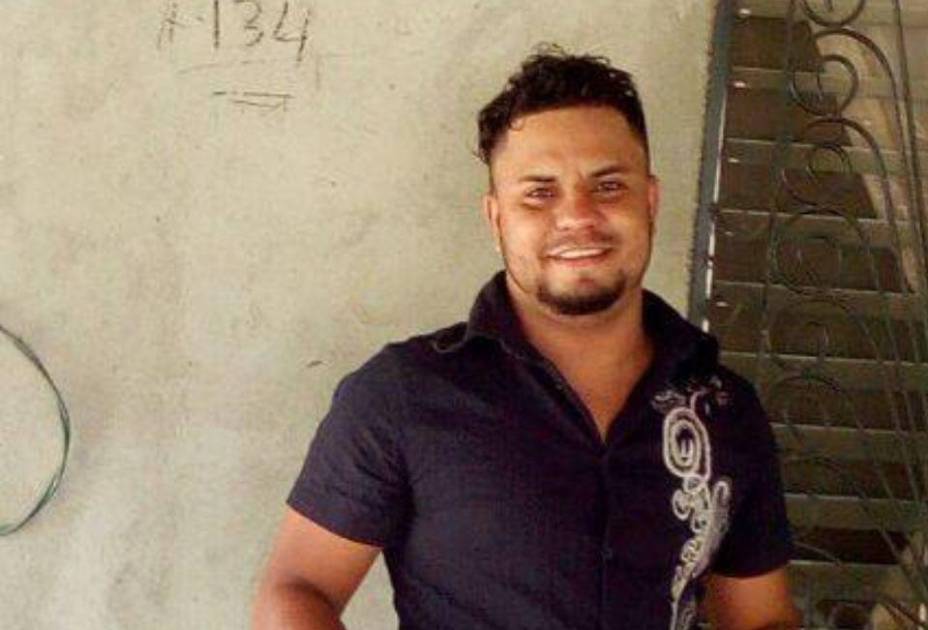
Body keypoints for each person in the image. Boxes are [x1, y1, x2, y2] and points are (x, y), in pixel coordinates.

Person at [251, 47, 799, 630]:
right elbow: (297, 591)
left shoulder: (724, 410)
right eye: (539, 192)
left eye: (608, 185)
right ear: (497, 219)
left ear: (650, 201)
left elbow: (761, 619)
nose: (577, 216)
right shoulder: (403, 395)